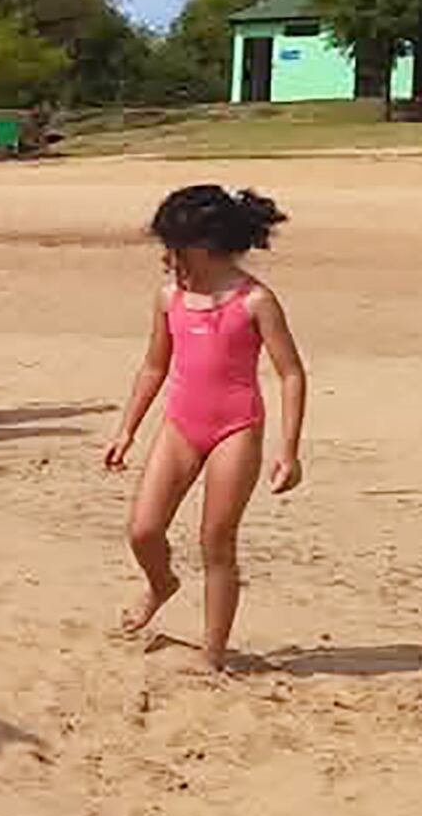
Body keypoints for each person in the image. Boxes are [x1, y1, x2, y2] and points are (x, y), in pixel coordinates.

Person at [106, 186, 307, 673]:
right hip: (181, 424)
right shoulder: (169, 298)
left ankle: (212, 654)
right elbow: (154, 366)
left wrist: (290, 450)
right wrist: (126, 429)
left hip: (235, 428)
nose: (166, 259)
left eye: (172, 248)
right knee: (143, 529)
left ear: (206, 246)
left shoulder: (255, 300)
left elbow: (291, 373)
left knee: (216, 540)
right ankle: (161, 584)